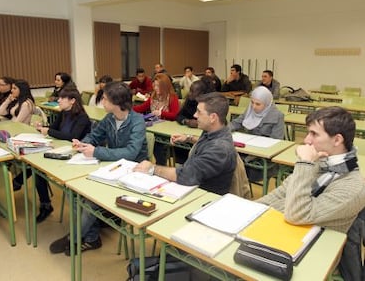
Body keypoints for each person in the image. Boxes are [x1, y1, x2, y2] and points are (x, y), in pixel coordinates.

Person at [49, 82, 148, 255]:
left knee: (89, 201)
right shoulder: (110, 118)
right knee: (74, 192)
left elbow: (131, 153)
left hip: (133, 173)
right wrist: (83, 143)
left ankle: (74, 237)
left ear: (116, 103)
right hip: (113, 167)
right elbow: (94, 135)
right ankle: (91, 238)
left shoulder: (137, 121)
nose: (102, 101)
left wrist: (97, 151)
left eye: (105, 99)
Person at [258, 106, 365, 234]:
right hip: (285, 227)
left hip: (314, 244)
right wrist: (252, 209)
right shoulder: (322, 161)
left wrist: (305, 163)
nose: (306, 140)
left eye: (314, 134)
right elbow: (282, 193)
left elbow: (297, 214)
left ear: (337, 140)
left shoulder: (353, 187)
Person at [12, 87, 92, 223]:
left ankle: (19, 181)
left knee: (38, 167)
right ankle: (45, 205)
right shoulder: (63, 113)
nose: (58, 100)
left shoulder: (82, 118)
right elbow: (53, 128)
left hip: (75, 156)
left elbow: (72, 136)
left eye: (62, 98)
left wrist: (48, 131)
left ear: (72, 101)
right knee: (37, 168)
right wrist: (43, 127)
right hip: (60, 149)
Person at [134, 92, 237, 195]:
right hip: (192, 188)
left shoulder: (220, 149)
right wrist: (189, 138)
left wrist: (152, 168)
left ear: (213, 117)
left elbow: (185, 176)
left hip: (202, 197)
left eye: (199, 112)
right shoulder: (215, 131)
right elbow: (209, 142)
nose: (195, 115)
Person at [229, 86, 284, 181]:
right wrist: (222, 130)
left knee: (233, 165)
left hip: (262, 158)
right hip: (246, 151)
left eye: (258, 104)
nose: (253, 106)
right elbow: (236, 123)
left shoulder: (277, 116)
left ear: (267, 104)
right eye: (252, 102)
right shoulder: (250, 110)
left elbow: (277, 141)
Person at [133, 73, 180, 165]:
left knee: (158, 147)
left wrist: (162, 113)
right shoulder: (153, 96)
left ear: (165, 86)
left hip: (167, 131)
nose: (155, 88)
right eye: (154, 85)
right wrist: (126, 108)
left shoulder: (172, 98)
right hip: (155, 128)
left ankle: (160, 166)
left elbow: (175, 115)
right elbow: (141, 108)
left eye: (158, 86)